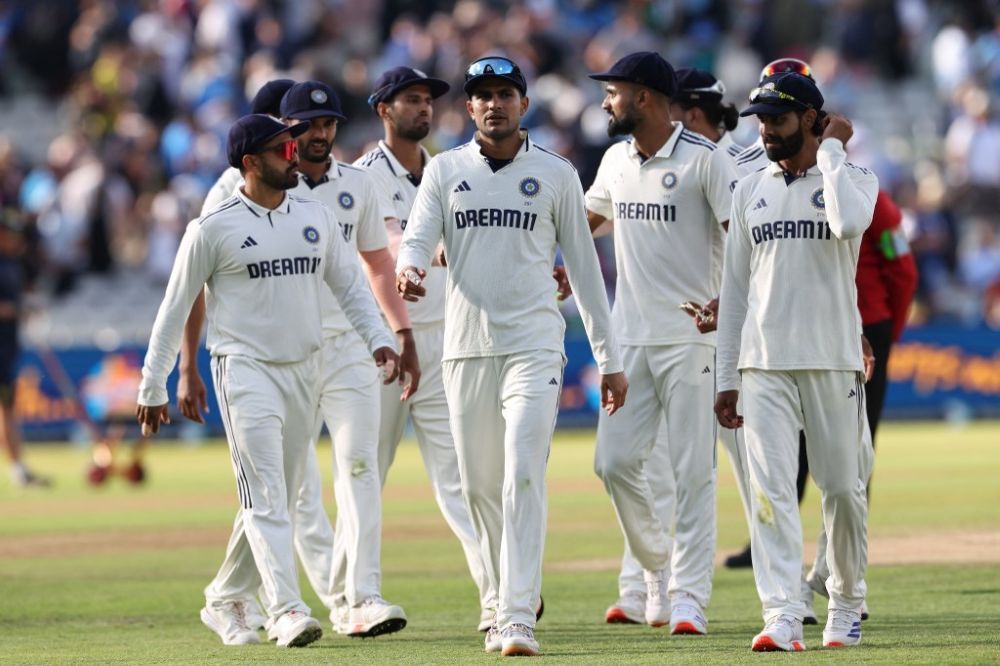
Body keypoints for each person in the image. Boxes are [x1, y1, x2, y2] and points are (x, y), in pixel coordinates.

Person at [137, 113, 399, 648]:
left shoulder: (314, 215)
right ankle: (285, 609)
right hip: (244, 369)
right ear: (251, 162)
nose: (295, 155)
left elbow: (349, 286)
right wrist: (153, 383)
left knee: (274, 494)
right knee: (266, 495)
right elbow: (174, 307)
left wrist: (379, 336)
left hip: (305, 368)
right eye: (283, 149)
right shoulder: (213, 227)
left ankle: (225, 596)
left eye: (293, 146)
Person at [396, 55, 627, 657]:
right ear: (468, 106)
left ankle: (518, 615)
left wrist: (608, 358)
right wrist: (410, 267)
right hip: (465, 348)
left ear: (524, 103)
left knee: (523, 473)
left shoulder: (556, 174)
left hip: (534, 346)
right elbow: (417, 236)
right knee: (478, 487)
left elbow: (585, 270)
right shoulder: (445, 170)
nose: (494, 104)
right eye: (483, 95)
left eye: (505, 94)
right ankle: (503, 595)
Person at [715, 72, 877, 651]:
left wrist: (831, 152)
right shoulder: (748, 189)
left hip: (832, 359)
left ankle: (847, 602)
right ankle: (782, 611)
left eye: (777, 119)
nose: (765, 130)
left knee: (843, 491)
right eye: (760, 120)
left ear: (811, 119)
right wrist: (727, 375)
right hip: (764, 365)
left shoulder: (854, 179)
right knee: (771, 493)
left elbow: (847, 223)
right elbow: (735, 291)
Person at [585, 52, 739, 636]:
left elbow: (743, 242)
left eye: (614, 92)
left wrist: (728, 300)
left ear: (644, 97)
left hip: (692, 340)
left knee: (693, 471)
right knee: (613, 463)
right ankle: (656, 565)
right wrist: (551, 261)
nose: (606, 101)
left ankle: (689, 598)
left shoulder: (705, 160)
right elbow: (580, 224)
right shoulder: (615, 160)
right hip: (629, 339)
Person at [355, 66, 498, 632]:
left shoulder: (444, 170)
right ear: (383, 110)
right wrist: (434, 250)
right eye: (410, 99)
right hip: (381, 343)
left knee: (459, 475)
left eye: (428, 100)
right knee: (365, 471)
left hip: (443, 337)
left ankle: (498, 593)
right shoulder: (364, 176)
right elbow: (388, 245)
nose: (423, 108)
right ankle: (354, 597)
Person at [0, 214, 49, 489]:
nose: (15, 238)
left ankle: (18, 469)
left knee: (7, 410)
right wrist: (18, 310)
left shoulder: (13, 264)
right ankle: (18, 470)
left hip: (7, 349)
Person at [669, 68, 744, 157]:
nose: (662, 118)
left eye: (668, 111)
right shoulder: (665, 158)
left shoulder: (741, 163)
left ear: (693, 116)